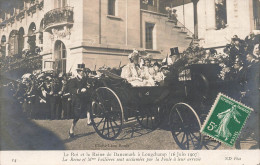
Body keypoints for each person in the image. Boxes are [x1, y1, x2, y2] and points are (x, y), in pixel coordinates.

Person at [69, 64, 92, 138]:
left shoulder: (85, 79)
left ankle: (89, 121)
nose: (83, 72)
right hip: (77, 99)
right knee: (77, 116)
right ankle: (71, 128)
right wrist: (79, 90)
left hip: (85, 98)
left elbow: (88, 86)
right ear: (78, 72)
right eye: (82, 71)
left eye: (84, 71)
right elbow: (71, 89)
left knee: (89, 107)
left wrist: (88, 87)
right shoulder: (74, 80)